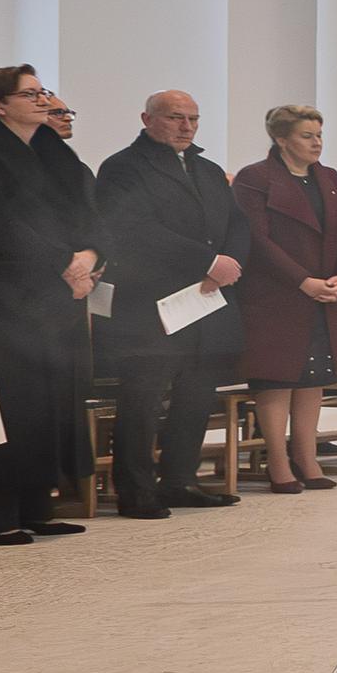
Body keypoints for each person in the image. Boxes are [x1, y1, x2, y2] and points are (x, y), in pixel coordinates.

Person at [0, 67, 100, 543]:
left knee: (52, 402)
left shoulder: (51, 148)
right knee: (10, 403)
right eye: (30, 94)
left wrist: (91, 256)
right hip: (7, 295)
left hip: (62, 292)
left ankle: (36, 504)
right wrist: (63, 263)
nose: (43, 101)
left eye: (43, 92)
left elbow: (90, 212)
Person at [95, 90, 250, 516]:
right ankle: (136, 489)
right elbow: (132, 230)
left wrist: (228, 262)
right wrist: (207, 261)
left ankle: (180, 480)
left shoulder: (207, 168)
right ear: (147, 118)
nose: (187, 127)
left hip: (206, 300)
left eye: (193, 119)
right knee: (142, 400)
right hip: (150, 304)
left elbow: (237, 223)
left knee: (196, 396)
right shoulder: (123, 167)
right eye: (175, 118)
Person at [231, 106, 337, 496]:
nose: (317, 142)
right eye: (307, 135)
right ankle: (278, 461)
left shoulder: (330, 178)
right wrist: (302, 281)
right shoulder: (255, 179)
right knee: (278, 378)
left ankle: (307, 457)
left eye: (319, 134)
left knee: (313, 378)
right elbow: (257, 239)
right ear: (282, 138)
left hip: (326, 291)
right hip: (276, 295)